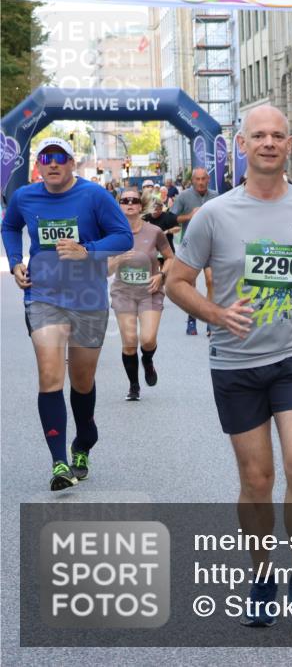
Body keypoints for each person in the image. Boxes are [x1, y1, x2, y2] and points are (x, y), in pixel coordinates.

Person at [166, 105, 292, 635]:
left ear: (290, 145)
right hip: (236, 362)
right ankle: (262, 574)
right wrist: (216, 313)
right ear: (241, 146)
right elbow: (177, 282)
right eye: (258, 136)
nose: (268, 143)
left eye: (277, 135)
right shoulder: (214, 215)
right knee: (257, 479)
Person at [1, 137, 133, 490]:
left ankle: (84, 440)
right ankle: (59, 463)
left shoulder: (94, 196)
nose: (53, 163)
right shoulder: (24, 197)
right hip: (43, 296)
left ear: (73, 163)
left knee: (83, 381)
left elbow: (123, 237)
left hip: (88, 298)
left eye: (61, 157)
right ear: (38, 165)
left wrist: (87, 250)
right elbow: (10, 226)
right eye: (46, 157)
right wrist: (15, 263)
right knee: (49, 374)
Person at [109, 188, 174, 401]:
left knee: (147, 340)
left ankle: (147, 360)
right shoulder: (112, 234)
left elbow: (170, 258)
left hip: (150, 292)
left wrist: (161, 276)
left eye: (134, 200)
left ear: (140, 205)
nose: (129, 203)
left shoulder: (154, 231)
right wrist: (117, 260)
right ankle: (134, 386)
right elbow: (105, 270)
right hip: (123, 292)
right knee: (129, 342)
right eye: (124, 200)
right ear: (118, 205)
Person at [171, 167, 218, 335]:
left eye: (203, 179)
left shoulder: (215, 196)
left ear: (208, 179)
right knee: (190, 284)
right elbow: (171, 218)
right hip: (191, 245)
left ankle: (210, 320)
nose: (200, 182)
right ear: (192, 181)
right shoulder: (184, 196)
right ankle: (192, 318)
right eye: (197, 179)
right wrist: (189, 216)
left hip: (212, 245)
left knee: (211, 280)